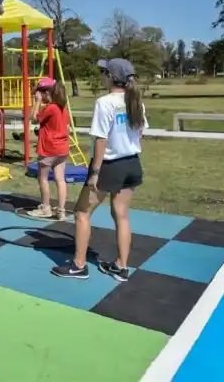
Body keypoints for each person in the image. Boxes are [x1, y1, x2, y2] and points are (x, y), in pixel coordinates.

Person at [52, 59, 147, 282]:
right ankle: (121, 267)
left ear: (111, 77)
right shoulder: (136, 102)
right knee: (121, 215)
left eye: (103, 72)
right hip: (132, 163)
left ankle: (78, 266)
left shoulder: (105, 102)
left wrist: (94, 172)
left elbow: (101, 140)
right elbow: (139, 134)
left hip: (110, 165)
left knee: (81, 212)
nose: (100, 75)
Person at [27, 78, 70, 220]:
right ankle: (61, 211)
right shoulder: (63, 107)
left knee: (43, 177)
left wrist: (37, 102)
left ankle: (46, 208)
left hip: (49, 148)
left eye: (40, 93)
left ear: (46, 93)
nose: (38, 95)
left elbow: (33, 118)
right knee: (60, 179)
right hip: (62, 148)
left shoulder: (51, 108)